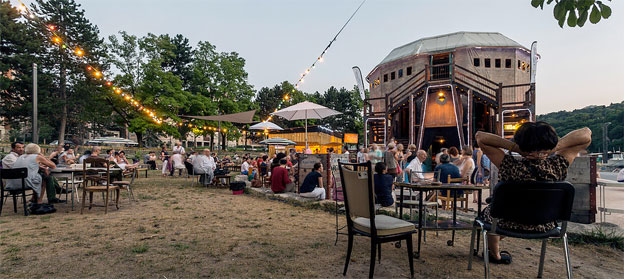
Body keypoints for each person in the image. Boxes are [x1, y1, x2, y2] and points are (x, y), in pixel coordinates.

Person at [476, 122, 591, 265]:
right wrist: (554, 148)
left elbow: (480, 137)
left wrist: (517, 148)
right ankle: (495, 252)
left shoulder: (508, 165)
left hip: (507, 223)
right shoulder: (558, 165)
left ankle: (495, 254)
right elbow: (586, 134)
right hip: (545, 224)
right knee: (497, 212)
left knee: (491, 211)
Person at [6, 144, 57, 213]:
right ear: (38, 150)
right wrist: (43, 157)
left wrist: (40, 167)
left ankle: (34, 200)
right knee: (44, 178)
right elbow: (53, 166)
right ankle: (39, 202)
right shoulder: (37, 157)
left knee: (37, 178)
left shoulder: (21, 157)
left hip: (13, 183)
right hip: (25, 183)